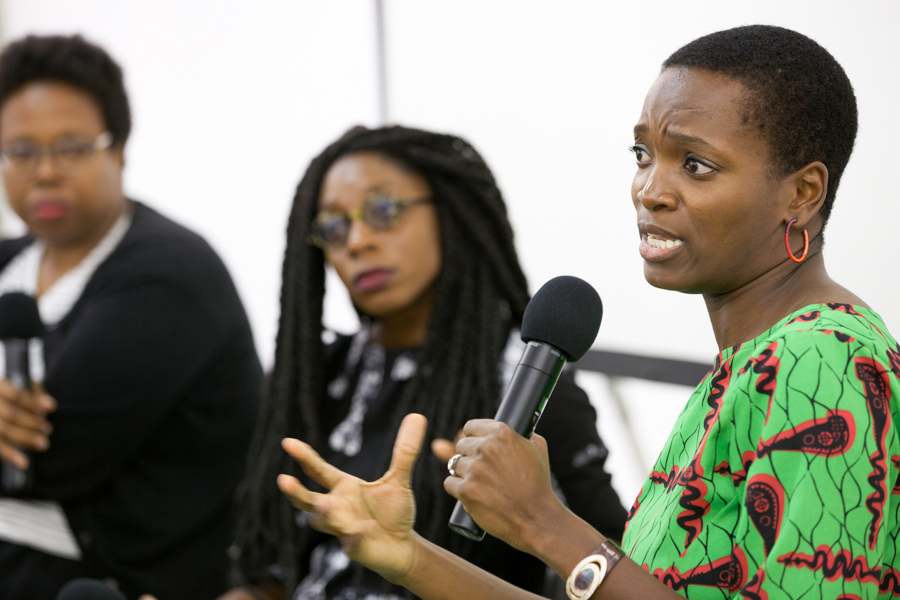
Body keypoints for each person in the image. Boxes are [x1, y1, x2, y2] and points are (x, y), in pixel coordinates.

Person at [276, 25, 900, 600]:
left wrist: (543, 522)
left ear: (802, 192)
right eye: (642, 154)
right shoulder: (745, 367)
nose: (650, 189)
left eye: (695, 164)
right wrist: (408, 556)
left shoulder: (824, 358)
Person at [226, 126, 627, 600]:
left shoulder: (525, 381)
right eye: (333, 227)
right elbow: (267, 568)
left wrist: (530, 505)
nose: (356, 242)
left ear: (450, 211)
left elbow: (610, 557)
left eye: (382, 211)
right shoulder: (314, 378)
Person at [0, 35, 262, 599]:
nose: (44, 172)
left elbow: (45, 461)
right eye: (20, 151)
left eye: (71, 148)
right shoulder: (12, 262)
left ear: (117, 151)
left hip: (123, 581)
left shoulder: (169, 275)